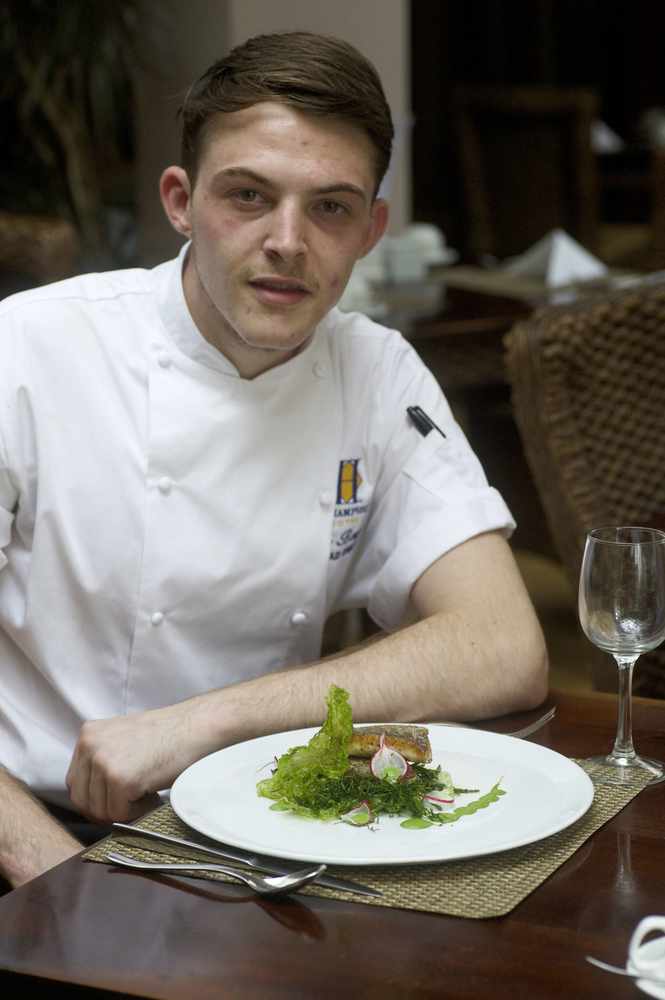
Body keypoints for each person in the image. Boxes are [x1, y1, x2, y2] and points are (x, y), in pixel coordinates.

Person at [0, 31, 548, 888]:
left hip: (258, 836)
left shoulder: (378, 372)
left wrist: (200, 724)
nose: (287, 241)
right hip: (32, 830)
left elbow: (503, 648)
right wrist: (57, 882)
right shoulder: (28, 350)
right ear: (180, 201)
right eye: (248, 196)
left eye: (329, 207)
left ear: (371, 228)